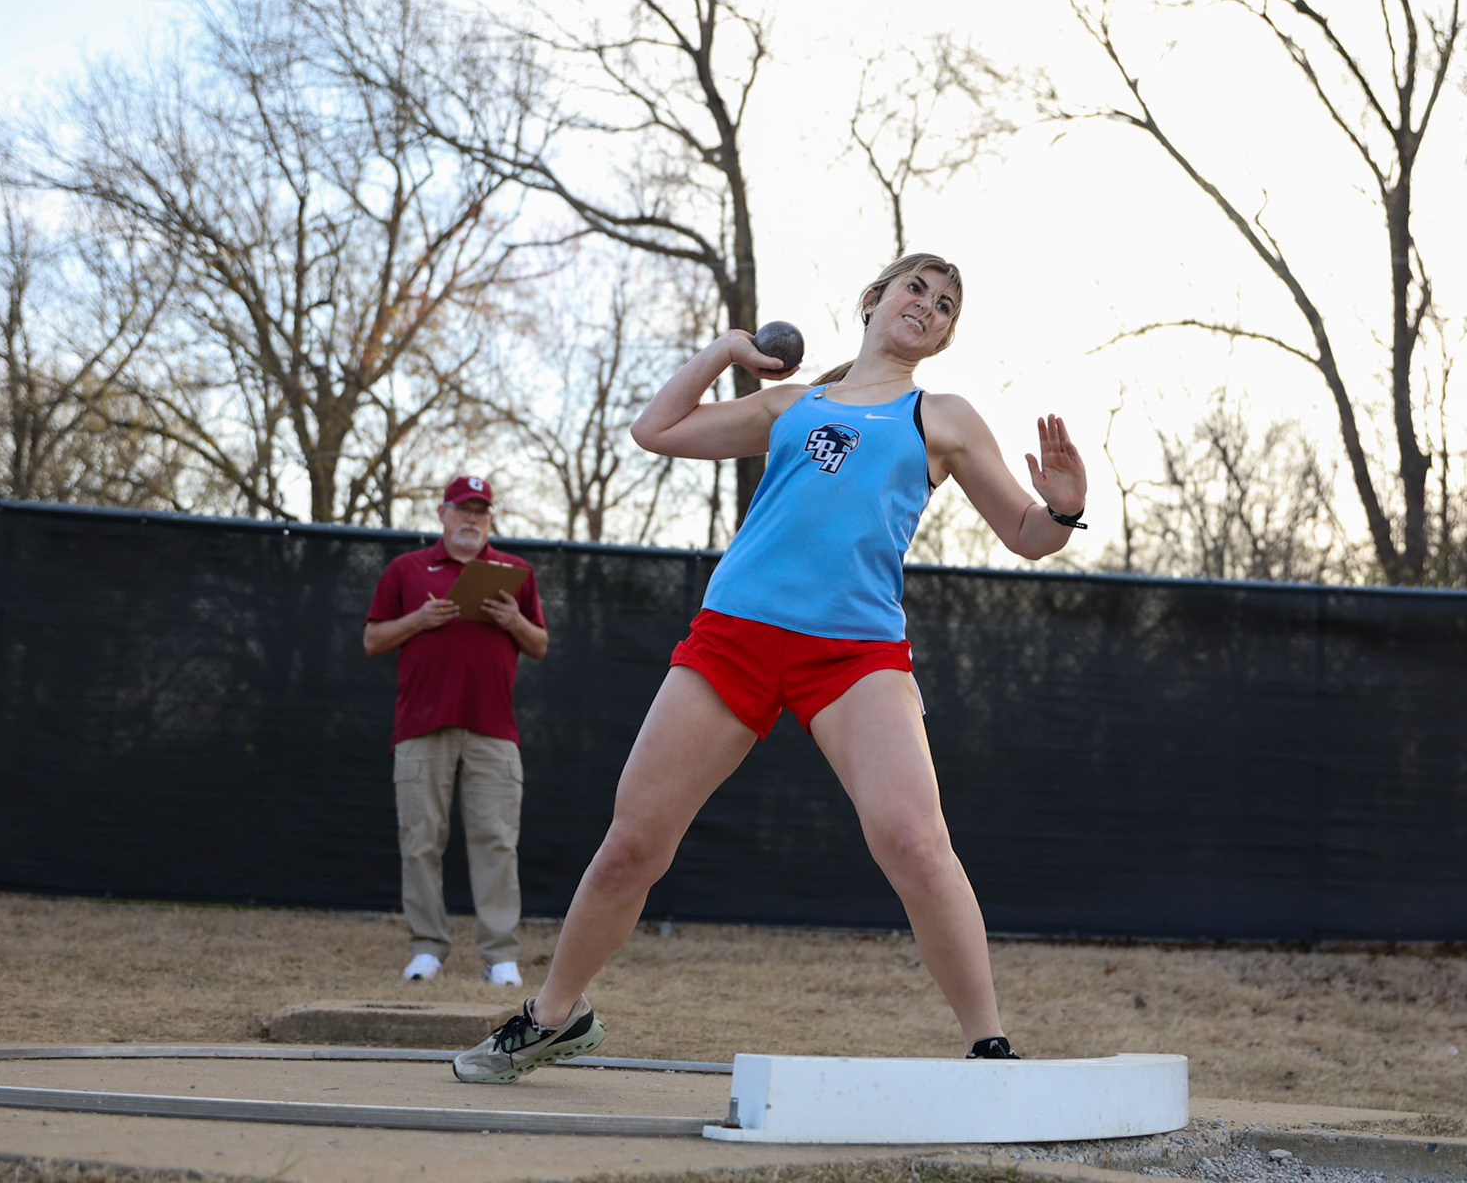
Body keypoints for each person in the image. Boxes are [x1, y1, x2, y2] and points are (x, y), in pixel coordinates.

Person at [452, 254, 1087, 1083]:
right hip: (734, 639)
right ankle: (550, 1019)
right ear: (874, 300)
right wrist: (726, 352)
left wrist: (1067, 508)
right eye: (915, 289)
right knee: (631, 846)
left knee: (915, 842)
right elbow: (657, 430)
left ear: (943, 336)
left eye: (945, 305)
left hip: (855, 655)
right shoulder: (791, 404)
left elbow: (1025, 533)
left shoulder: (944, 416)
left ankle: (990, 1050)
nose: (927, 307)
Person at [365, 474, 549, 986]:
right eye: (463, 509)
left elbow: (539, 645)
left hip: (494, 729)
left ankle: (500, 956)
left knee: (496, 840)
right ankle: (427, 950)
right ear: (442, 514)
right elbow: (373, 639)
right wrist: (419, 620)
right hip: (421, 726)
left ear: (491, 519)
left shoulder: (514, 571)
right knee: (421, 840)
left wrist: (513, 620)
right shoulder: (407, 569)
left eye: (481, 511)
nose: (472, 519)